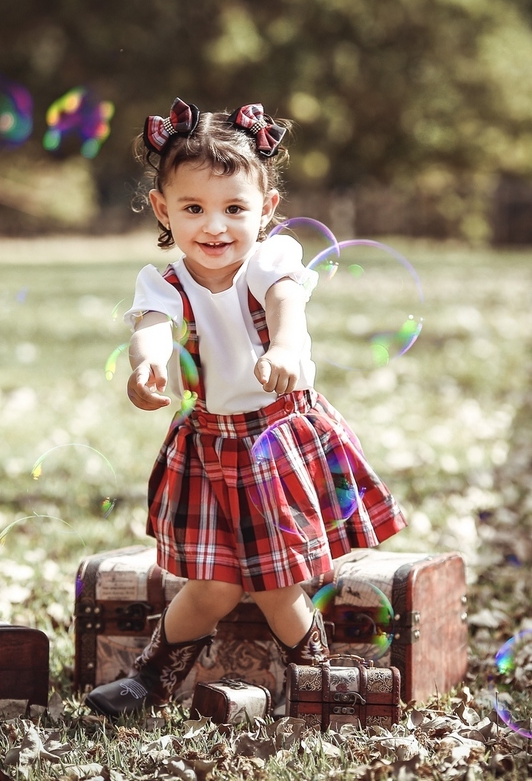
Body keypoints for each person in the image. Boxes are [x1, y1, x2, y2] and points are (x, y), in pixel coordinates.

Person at [85, 98, 407, 716]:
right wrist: (147, 365)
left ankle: (321, 682)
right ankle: (150, 680)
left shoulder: (268, 262)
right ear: (162, 209)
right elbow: (152, 328)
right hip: (209, 445)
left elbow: (286, 302)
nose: (215, 226)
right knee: (211, 584)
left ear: (267, 210)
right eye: (194, 208)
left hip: (276, 441)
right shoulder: (165, 283)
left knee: (276, 584)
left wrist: (285, 344)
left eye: (235, 208)